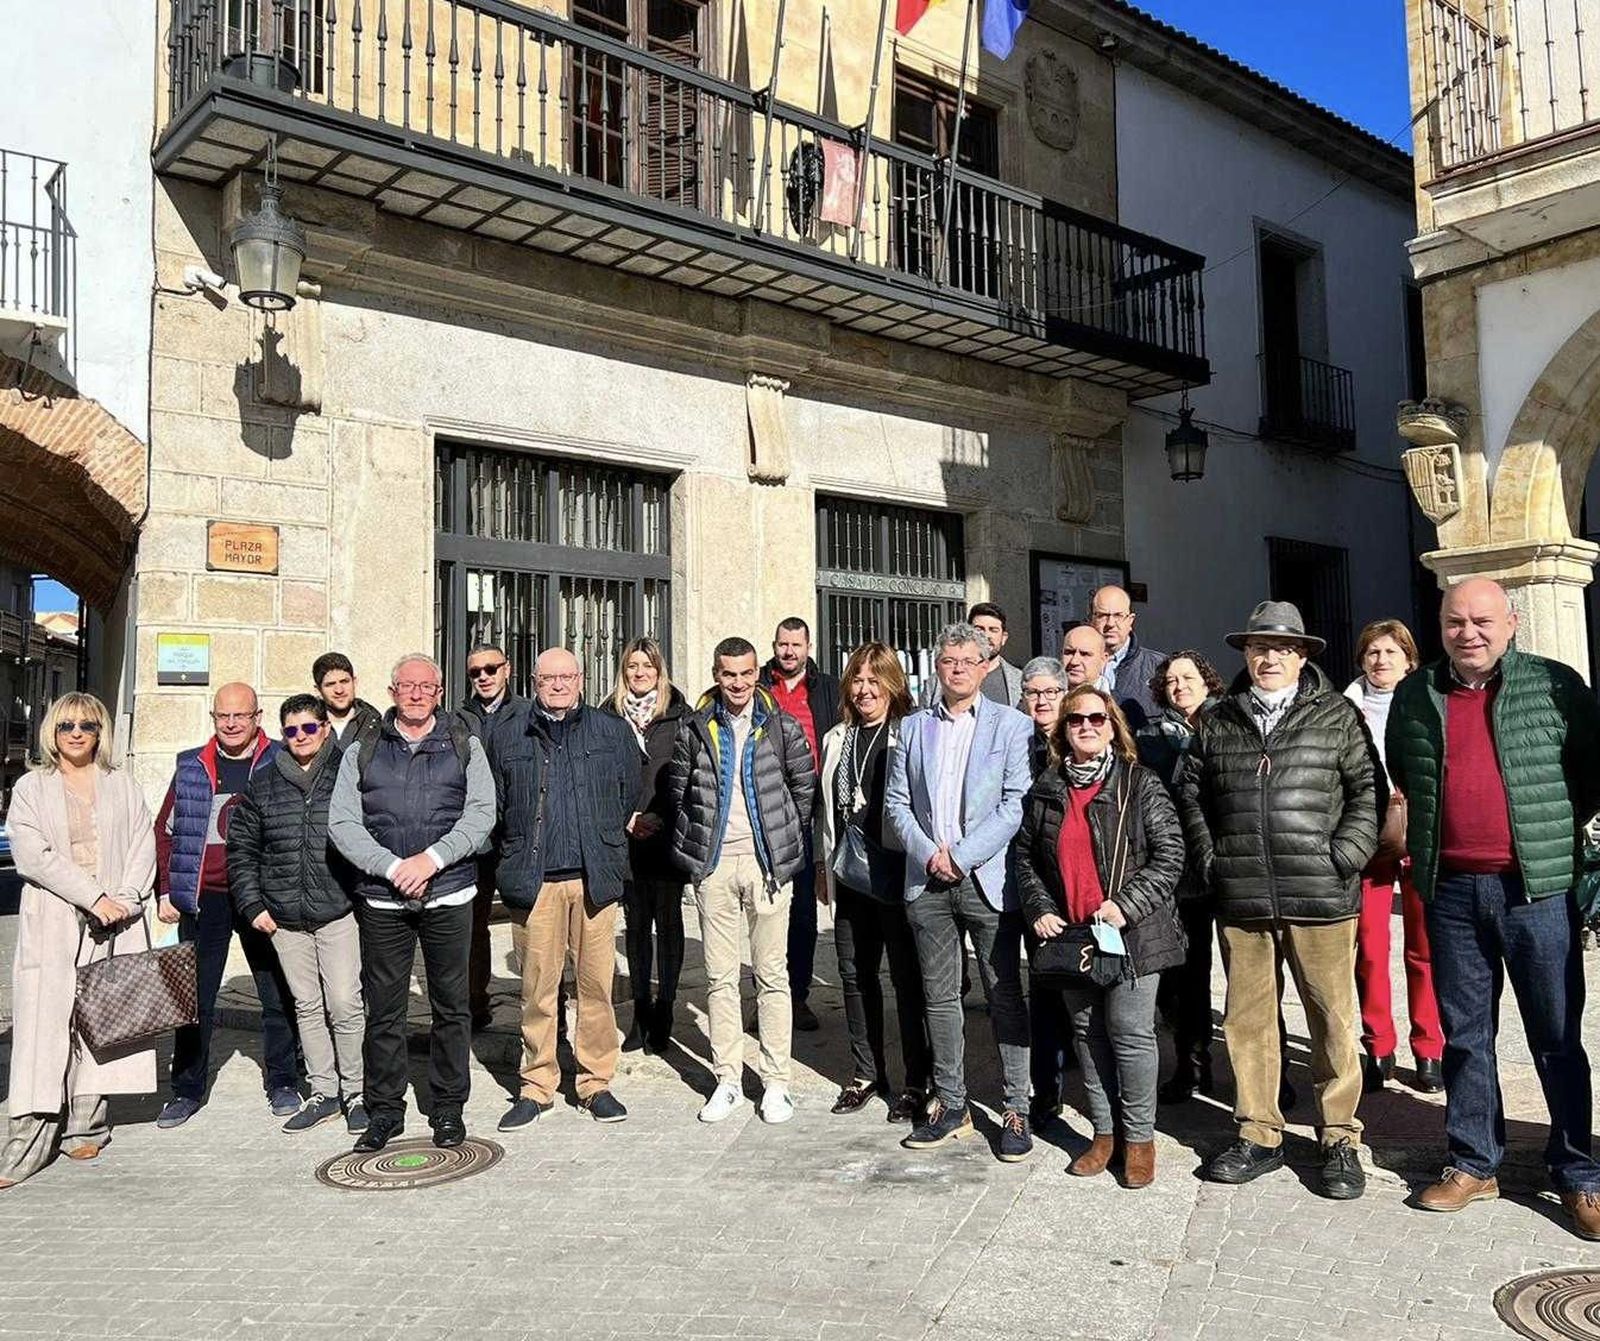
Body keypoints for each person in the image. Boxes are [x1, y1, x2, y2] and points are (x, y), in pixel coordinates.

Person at [1387, 578, 1600, 1239]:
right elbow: (1406, 771)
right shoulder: (1415, 694)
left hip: (1534, 891)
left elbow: (1590, 774)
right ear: (1441, 625)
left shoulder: (1556, 685)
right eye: (1455, 621)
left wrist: (1544, 836)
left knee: (1558, 1037)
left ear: (1512, 622)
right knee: (1466, 1035)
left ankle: (1577, 1172)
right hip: (1451, 891)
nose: (1468, 632)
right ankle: (1475, 1162)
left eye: (1482, 620)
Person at [1178, 600, 1379, 1200]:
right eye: (1260, 647)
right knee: (1247, 1021)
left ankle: (1339, 1137)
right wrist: (1212, 860)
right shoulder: (1219, 720)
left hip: (1321, 894)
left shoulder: (1337, 715)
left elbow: (1368, 788)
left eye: (1283, 648)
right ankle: (1258, 1131)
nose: (1270, 657)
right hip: (1242, 897)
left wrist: (1344, 854)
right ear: (1245, 654)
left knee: (1333, 1021)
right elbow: (1190, 795)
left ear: (1301, 656)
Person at [1017, 685, 1186, 1188]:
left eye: (1096, 718)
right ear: (1063, 731)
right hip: (1072, 936)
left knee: (1131, 1035)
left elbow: (1170, 855)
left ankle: (1139, 1140)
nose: (1086, 727)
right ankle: (1105, 1133)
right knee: (1088, 1036)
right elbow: (1026, 856)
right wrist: (1040, 908)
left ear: (1112, 725)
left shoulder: (1141, 784)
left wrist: (1124, 906)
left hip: (1131, 934)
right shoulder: (1048, 788)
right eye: (1076, 720)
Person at [330, 653, 496, 1151]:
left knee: (451, 1006)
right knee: (385, 1010)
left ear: (440, 692)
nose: (418, 694)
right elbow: (342, 822)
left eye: (427, 686)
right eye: (408, 686)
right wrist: (393, 868)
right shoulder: (363, 746)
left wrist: (431, 860)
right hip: (383, 898)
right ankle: (384, 1110)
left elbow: (481, 812)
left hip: (449, 891)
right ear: (392, 691)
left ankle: (448, 1108)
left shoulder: (464, 744)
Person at [887, 622, 1034, 1161]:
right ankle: (952, 1104)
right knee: (940, 997)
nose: (956, 670)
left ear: (986, 665)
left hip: (985, 879)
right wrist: (930, 853)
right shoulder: (912, 728)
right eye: (948, 661)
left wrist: (963, 856)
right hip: (927, 880)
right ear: (938, 666)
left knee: (1003, 995)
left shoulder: (1012, 726)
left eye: (967, 662)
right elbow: (896, 803)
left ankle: (1017, 1105)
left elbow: (1015, 803)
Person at [1, 695, 155, 1189]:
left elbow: (142, 846)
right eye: (66, 724)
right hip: (54, 917)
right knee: (44, 1026)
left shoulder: (121, 786)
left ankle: (87, 1123)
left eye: (88, 724)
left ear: (100, 732)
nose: (76, 732)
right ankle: (29, 1137)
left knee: (100, 1021)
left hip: (112, 920)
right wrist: (93, 896)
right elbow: (32, 855)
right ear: (52, 730)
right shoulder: (31, 787)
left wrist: (126, 900)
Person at [486, 648, 640, 1129]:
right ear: (533, 680)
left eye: (566, 677)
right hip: (537, 885)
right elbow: (495, 800)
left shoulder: (610, 731)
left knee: (596, 987)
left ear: (581, 679)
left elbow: (627, 793)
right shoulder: (508, 733)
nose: (557, 685)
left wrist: (601, 838)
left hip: (594, 879)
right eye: (548, 678)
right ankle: (536, 1084)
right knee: (538, 989)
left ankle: (595, 1082)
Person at [667, 637, 816, 1124]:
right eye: (728, 674)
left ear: (758, 673)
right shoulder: (695, 727)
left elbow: (803, 789)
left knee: (772, 976)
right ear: (716, 674)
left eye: (746, 673)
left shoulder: (780, 725)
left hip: (766, 865)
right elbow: (680, 789)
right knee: (720, 978)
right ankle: (728, 1078)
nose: (737, 683)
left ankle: (776, 1082)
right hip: (714, 867)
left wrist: (783, 844)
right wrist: (697, 856)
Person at [154, 681, 298, 1129]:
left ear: (258, 717)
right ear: (213, 718)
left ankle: (284, 1081)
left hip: (261, 896)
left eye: (241, 715)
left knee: (277, 994)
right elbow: (165, 831)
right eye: (223, 716)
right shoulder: (192, 765)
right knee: (194, 998)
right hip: (204, 898)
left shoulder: (281, 760)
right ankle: (187, 1089)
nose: (232, 724)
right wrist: (166, 890)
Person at [227, 694, 366, 1135]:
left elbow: (371, 833)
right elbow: (242, 849)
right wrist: (253, 905)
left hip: (339, 909)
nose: (301, 736)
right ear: (282, 734)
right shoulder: (264, 781)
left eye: (309, 727)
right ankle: (323, 1091)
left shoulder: (350, 772)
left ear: (325, 728)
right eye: (292, 730)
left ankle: (357, 1091)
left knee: (344, 1002)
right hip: (285, 916)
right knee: (307, 1006)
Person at [816, 642, 931, 1122]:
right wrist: (824, 868)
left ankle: (914, 1080)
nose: (864, 690)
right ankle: (866, 1073)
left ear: (892, 685)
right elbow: (823, 814)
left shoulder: (909, 733)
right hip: (850, 874)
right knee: (855, 978)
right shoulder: (837, 739)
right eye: (857, 680)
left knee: (907, 981)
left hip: (897, 875)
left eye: (873, 680)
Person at [1345, 619, 1443, 1096]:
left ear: (1409, 659)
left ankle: (1430, 1047)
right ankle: (1378, 1045)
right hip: (1369, 833)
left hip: (1422, 828)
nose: (1380, 660)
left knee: (1425, 945)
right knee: (1370, 944)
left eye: (1389, 652)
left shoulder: (1429, 701)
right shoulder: (1346, 708)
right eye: (1371, 652)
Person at [1137, 650, 1225, 1103]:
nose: (1179, 686)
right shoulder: (1151, 737)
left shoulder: (1230, 726)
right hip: (1179, 872)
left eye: (1188, 677)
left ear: (1207, 682)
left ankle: (1274, 1076)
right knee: (1185, 975)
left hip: (1229, 866)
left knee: (1251, 976)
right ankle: (1192, 1066)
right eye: (1171, 680)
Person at [602, 636, 690, 1054]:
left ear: (660, 671)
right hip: (626, 839)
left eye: (647, 666)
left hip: (667, 837)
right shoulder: (607, 714)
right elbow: (597, 779)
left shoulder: (679, 714)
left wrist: (658, 818)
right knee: (636, 927)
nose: (639, 674)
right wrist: (626, 819)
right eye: (632, 666)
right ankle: (640, 1011)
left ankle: (666, 1009)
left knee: (669, 924)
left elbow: (690, 779)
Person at [759, 617, 839, 1032]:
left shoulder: (826, 689)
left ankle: (798, 994)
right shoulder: (756, 686)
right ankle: (765, 996)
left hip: (808, 815)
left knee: (804, 913)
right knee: (763, 910)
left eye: (796, 644)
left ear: (809, 646)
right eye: (782, 644)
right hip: (762, 813)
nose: (789, 651)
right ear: (774, 645)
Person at [1017, 656, 1074, 1125]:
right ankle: (1047, 1089)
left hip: (1074, 882)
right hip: (1027, 877)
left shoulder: (1079, 738)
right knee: (1043, 987)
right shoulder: (1014, 740)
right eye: (1032, 692)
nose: (1041, 700)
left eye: (1049, 692)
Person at [459, 642, 524, 1032]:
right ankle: (475, 1004)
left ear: (507, 670)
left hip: (518, 837)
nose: (483, 676)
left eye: (490, 668)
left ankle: (551, 1014)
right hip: (476, 841)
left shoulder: (528, 713)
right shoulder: (459, 717)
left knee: (533, 930)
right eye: (475, 672)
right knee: (473, 925)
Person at [1089, 585, 1166, 728]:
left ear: (1130, 621)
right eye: (1102, 615)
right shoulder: (1075, 667)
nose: (1110, 623)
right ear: (1091, 620)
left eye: (1118, 615)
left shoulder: (1159, 667)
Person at [920, 602, 1023, 709]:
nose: (986, 635)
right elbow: (924, 721)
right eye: (979, 629)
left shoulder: (1019, 680)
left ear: (1004, 638)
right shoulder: (938, 681)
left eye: (993, 630)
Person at [311, 652, 382, 749]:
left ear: (354, 682)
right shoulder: (305, 725)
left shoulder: (374, 723)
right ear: (318, 690)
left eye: (344, 681)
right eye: (330, 684)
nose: (339, 690)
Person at [1060, 624, 1111, 692]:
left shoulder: (1118, 700)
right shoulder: (1045, 700)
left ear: (1103, 659)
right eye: (1069, 652)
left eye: (1085, 654)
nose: (1074, 661)